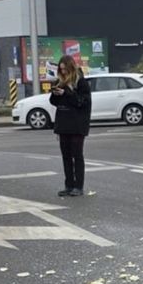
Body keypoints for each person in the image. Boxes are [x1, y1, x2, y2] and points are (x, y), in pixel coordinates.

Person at [50, 56, 92, 197]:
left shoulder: (81, 82)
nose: (63, 72)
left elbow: (82, 102)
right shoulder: (60, 81)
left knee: (77, 155)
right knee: (66, 156)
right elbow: (54, 102)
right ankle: (69, 185)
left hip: (77, 124)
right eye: (61, 70)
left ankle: (78, 186)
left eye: (65, 69)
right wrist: (55, 93)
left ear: (71, 68)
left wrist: (67, 92)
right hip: (63, 123)